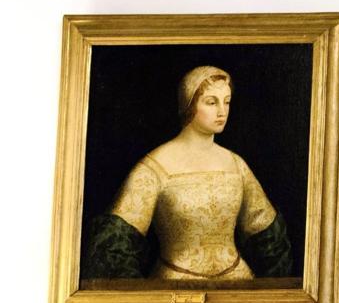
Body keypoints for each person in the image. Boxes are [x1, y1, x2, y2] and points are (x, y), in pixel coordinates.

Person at [82, 65, 294, 282]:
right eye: (211, 102)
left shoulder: (235, 164)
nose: (222, 111)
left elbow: (269, 236)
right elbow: (114, 247)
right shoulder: (155, 166)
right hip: (175, 288)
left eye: (227, 101)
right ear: (189, 104)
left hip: (238, 285)